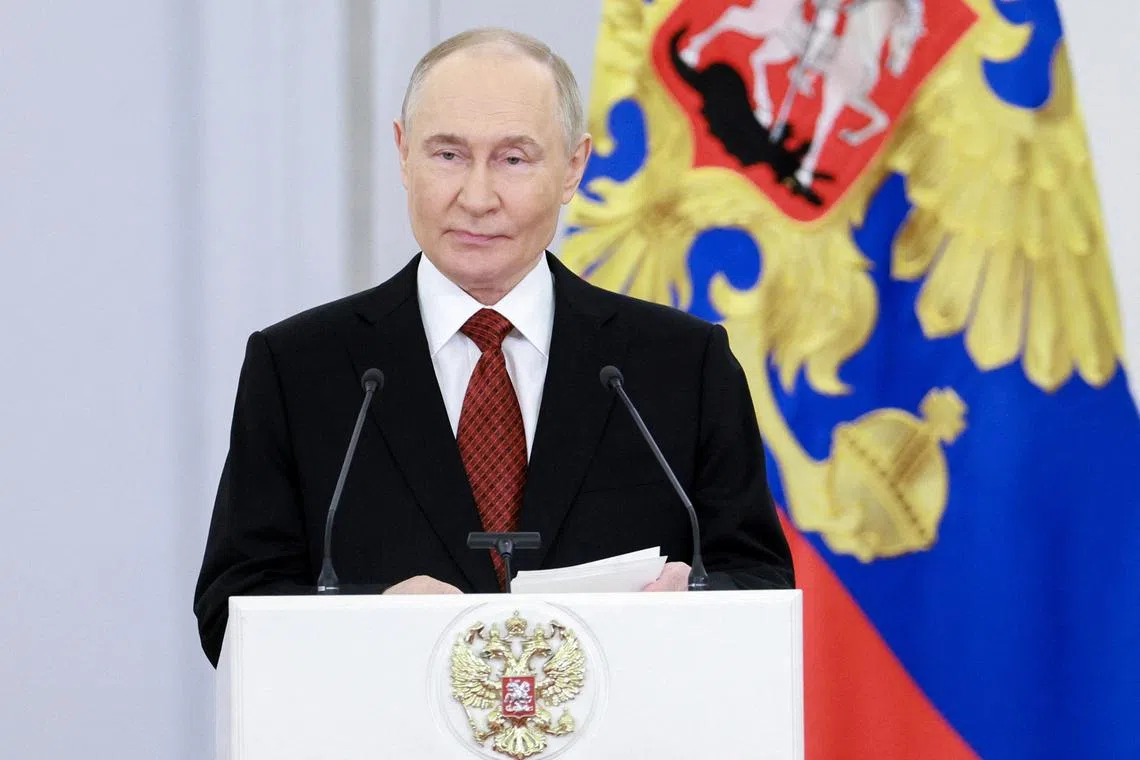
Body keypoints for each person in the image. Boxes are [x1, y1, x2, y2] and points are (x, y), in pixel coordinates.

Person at [193, 27, 794, 667]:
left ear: (573, 168)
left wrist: (694, 599)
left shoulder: (681, 366)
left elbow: (758, 583)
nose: (476, 198)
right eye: (447, 155)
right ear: (402, 154)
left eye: (513, 159)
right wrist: (368, 626)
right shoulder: (299, 370)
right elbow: (232, 611)